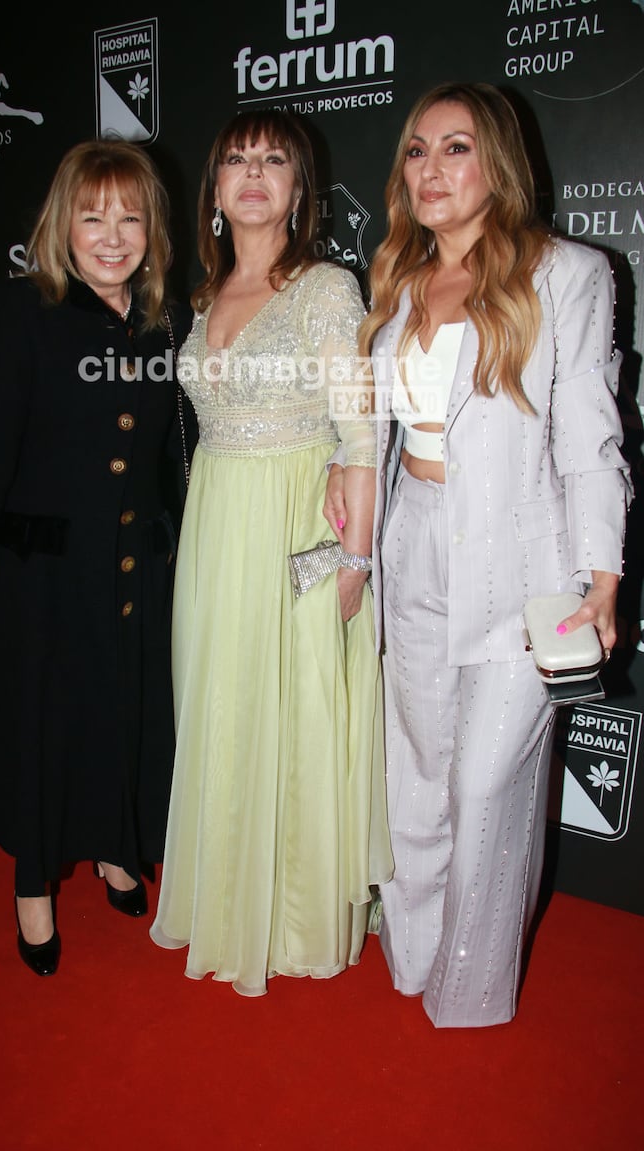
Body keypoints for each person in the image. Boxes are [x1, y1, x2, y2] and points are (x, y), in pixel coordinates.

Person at [326, 81, 632, 1027]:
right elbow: (369, 436)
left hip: (523, 568)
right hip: (413, 544)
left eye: (454, 148)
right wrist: (353, 539)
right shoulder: (394, 279)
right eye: (415, 151)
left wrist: (603, 575)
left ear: (496, 160)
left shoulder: (567, 275)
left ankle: (469, 991)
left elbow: (588, 437)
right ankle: (411, 956)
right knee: (415, 774)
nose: (429, 169)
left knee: (486, 784)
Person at [0, 138, 196, 976]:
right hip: (42, 576)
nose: (111, 236)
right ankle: (32, 889)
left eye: (129, 217)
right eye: (92, 217)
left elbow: (167, 455)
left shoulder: (166, 321)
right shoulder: (23, 312)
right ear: (61, 225)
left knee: (123, 710)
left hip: (133, 564)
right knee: (44, 728)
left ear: (152, 227)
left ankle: (119, 848)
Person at [149, 110, 394, 997]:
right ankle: (226, 894)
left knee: (297, 713)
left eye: (274, 160)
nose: (253, 173)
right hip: (217, 519)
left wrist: (354, 562)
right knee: (226, 707)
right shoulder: (206, 296)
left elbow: (360, 434)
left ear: (299, 190)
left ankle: (290, 918)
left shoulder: (325, 287)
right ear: (214, 192)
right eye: (236, 160)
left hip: (298, 522)